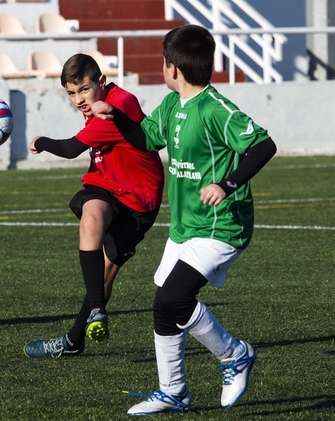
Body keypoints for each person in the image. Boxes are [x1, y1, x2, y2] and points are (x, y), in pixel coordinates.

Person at [91, 25, 277, 415]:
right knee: (164, 306)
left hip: (221, 224)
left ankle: (235, 355)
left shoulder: (215, 109)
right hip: (186, 226)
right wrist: (117, 118)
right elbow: (146, 139)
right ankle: (173, 392)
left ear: (173, 68)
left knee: (173, 297)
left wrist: (227, 184)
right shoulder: (172, 105)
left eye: (163, 61)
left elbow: (263, 145)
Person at [23, 53, 165, 358]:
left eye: (84, 90)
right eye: (71, 94)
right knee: (91, 218)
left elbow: (73, 148)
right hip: (105, 185)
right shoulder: (97, 103)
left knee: (105, 272)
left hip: (139, 202)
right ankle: (98, 311)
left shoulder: (117, 105)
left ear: (101, 81)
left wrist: (41, 141)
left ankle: (73, 341)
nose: (78, 100)